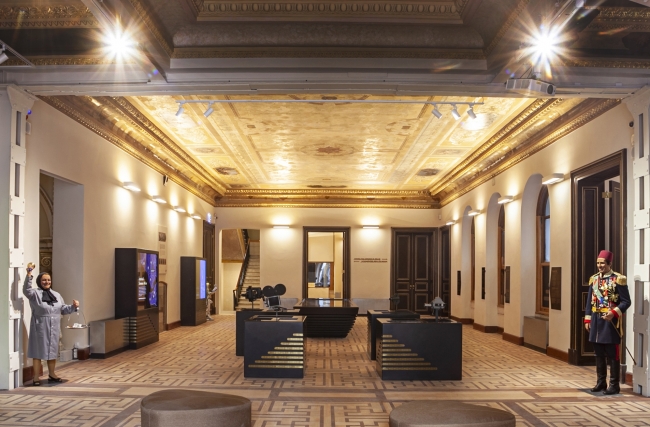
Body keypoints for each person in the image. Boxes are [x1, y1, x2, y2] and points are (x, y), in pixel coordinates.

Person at [584, 250, 631, 395]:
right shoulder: (594, 279)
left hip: (611, 322)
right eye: (598, 263)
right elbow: (589, 301)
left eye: (602, 263)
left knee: (612, 354)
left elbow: (626, 302)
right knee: (598, 353)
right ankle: (601, 382)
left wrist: (613, 313)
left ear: (609, 263)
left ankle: (614, 385)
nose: (599, 266)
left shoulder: (618, 279)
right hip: (596, 320)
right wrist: (588, 318)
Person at [23, 265, 79, 386]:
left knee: (52, 351)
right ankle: (36, 377)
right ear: (39, 281)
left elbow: (63, 309)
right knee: (38, 352)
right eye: (44, 280)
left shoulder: (56, 295)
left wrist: (73, 307)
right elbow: (26, 290)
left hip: (54, 326)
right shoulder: (34, 293)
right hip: (40, 326)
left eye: (48, 280)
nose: (47, 282)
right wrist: (29, 275)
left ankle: (52, 374)